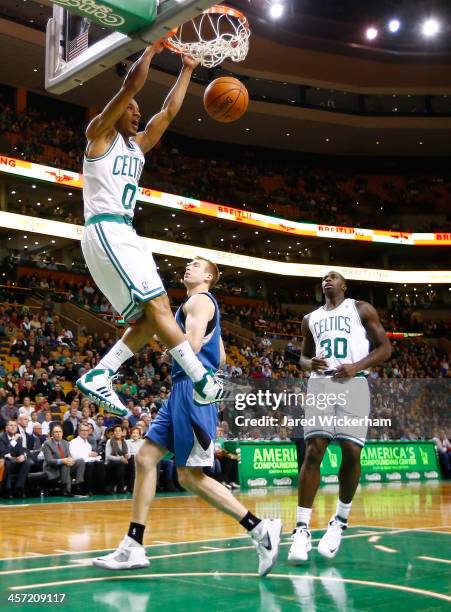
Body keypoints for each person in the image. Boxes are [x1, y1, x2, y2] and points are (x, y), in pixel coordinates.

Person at [94, 258, 282, 577]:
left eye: (196, 265)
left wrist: (164, 341)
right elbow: (219, 355)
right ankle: (133, 544)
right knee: (144, 459)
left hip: (193, 391)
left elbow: (192, 345)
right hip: (182, 390)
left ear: (209, 276)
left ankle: (260, 529)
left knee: (190, 477)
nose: (188, 268)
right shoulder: (202, 306)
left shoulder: (198, 300)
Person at [76, 41, 223, 417]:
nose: (138, 114)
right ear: (116, 112)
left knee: (147, 318)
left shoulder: (137, 147)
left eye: (140, 112)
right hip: (106, 229)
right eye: (133, 110)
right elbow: (130, 87)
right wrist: (151, 51)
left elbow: (169, 112)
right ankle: (201, 380)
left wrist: (188, 68)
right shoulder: (99, 137)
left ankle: (101, 374)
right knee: (159, 305)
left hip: (124, 233)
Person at [288, 271, 391, 564]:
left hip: (354, 383)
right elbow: (303, 359)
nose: (327, 279)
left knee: (351, 451)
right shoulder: (310, 318)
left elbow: (386, 348)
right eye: (324, 277)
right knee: (313, 450)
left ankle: (339, 522)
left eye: (334, 277)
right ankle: (302, 529)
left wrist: (356, 366)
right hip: (321, 383)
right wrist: (311, 362)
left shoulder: (361, 309)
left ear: (344, 285)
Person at [42, 424, 85, 496]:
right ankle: (66, 489)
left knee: (81, 461)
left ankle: (78, 485)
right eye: (56, 432)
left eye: (60, 432)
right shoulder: (47, 444)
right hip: (52, 468)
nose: (58, 434)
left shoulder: (65, 443)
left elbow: (69, 456)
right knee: (65, 464)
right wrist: (63, 461)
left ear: (62, 433)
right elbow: (49, 461)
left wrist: (71, 460)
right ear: (52, 434)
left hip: (65, 466)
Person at [69, 423, 106, 494]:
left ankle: (100, 489)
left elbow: (89, 457)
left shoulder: (88, 445)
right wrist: (89, 455)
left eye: (86, 430)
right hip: (78, 464)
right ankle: (87, 489)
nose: (85, 432)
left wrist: (95, 456)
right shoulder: (73, 442)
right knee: (90, 464)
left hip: (87, 462)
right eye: (83, 430)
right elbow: (75, 457)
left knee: (100, 463)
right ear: (79, 432)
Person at [0, 420, 31, 498]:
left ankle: (19, 488)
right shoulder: (1, 437)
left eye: (15, 425)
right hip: (5, 461)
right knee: (7, 463)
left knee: (27, 462)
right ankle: (7, 490)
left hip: (15, 461)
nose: (13, 427)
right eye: (11, 425)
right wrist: (14, 440)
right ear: (6, 428)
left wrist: (22, 456)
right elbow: (4, 452)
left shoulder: (19, 438)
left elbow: (21, 451)